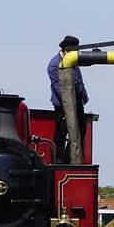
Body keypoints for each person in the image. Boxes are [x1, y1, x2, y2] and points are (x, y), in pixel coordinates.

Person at [47, 34, 89, 163]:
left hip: (77, 101)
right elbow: (58, 87)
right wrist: (68, 103)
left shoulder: (72, 60)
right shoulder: (54, 64)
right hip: (62, 104)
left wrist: (83, 97)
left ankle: (72, 157)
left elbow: (78, 80)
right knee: (61, 132)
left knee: (81, 129)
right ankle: (59, 159)